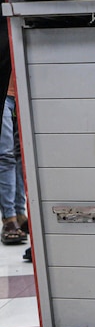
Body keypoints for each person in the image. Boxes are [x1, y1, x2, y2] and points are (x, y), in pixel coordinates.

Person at [0, 21, 27, 248]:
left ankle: (20, 213)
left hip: (19, 88)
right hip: (7, 91)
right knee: (6, 155)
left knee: (20, 155)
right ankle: (8, 219)